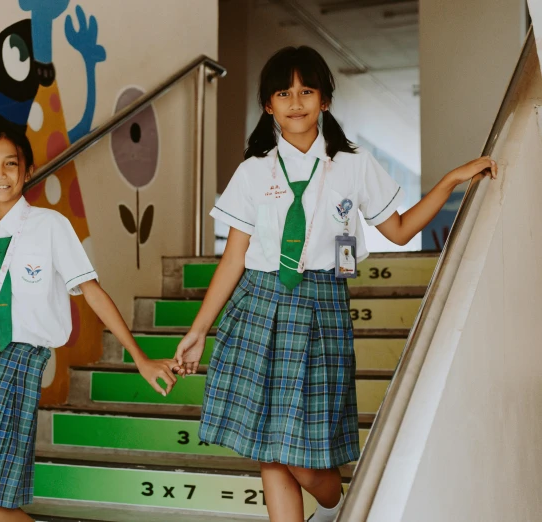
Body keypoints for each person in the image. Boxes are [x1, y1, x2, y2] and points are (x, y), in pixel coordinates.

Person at [174, 46, 497, 522]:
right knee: (270, 449)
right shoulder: (253, 170)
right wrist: (200, 329)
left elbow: (401, 229)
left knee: (304, 461)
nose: (296, 101)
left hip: (320, 306)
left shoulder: (352, 163)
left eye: (307, 91)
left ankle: (338, 503)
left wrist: (449, 180)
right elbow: (234, 258)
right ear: (268, 105)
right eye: (284, 93)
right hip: (258, 306)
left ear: (324, 99)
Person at [0, 128, 179, 522]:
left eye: (11, 164)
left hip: (18, 361)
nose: (0, 173)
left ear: (27, 172)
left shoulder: (50, 226)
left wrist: (140, 358)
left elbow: (91, 292)